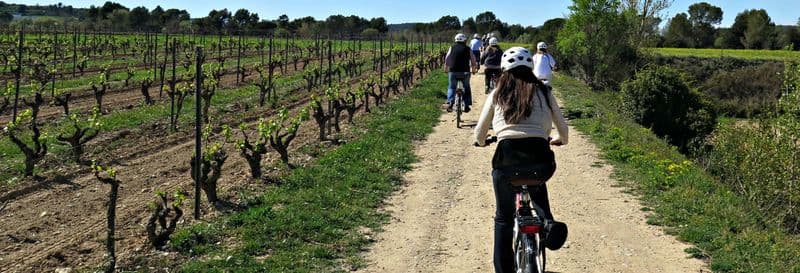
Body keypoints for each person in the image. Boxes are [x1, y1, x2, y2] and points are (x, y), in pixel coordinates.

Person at [473, 46, 569, 273]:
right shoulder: (544, 91)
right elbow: (563, 130)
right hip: (540, 160)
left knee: (503, 219)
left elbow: (479, 133)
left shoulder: (497, 93)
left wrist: (482, 142)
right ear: (531, 67)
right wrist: (559, 139)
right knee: (537, 182)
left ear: (504, 70)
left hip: (507, 162)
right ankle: (547, 223)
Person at [444, 33, 478, 113]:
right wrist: (473, 70)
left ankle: (450, 102)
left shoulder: (452, 48)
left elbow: (447, 59)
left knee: (452, 87)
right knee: (466, 87)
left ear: (455, 40)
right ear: (464, 40)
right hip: (465, 72)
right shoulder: (468, 49)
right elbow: (473, 61)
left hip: (453, 72)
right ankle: (466, 105)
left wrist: (446, 69)